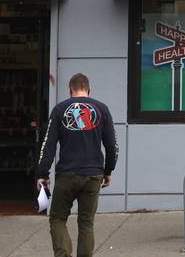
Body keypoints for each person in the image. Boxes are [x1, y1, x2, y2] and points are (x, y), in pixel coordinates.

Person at [36, 73, 118, 257]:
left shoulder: (59, 109)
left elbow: (48, 144)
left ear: (70, 90)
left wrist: (43, 174)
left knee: (57, 218)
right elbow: (112, 145)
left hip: (67, 174)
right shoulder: (102, 109)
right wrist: (108, 170)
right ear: (89, 89)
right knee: (86, 222)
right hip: (93, 174)